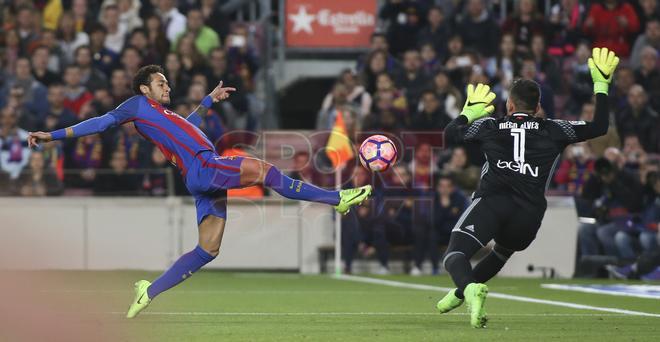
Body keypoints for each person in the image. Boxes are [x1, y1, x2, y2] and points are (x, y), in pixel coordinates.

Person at [27, 65, 373, 318]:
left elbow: (186, 127)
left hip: (199, 173)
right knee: (265, 171)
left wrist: (207, 102)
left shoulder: (162, 114)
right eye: (160, 82)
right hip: (204, 166)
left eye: (167, 81)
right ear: (144, 89)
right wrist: (52, 135)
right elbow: (100, 123)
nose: (167, 86)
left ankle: (149, 290)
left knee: (208, 249)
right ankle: (337, 199)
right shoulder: (135, 106)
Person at [436, 48, 620, 328]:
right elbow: (600, 126)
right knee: (501, 252)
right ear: (537, 108)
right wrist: (602, 84)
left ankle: (469, 289)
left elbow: (448, 136)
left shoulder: (490, 125)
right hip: (529, 215)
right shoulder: (555, 130)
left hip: (493, 201)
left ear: (509, 105)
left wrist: (467, 113)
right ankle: (462, 291)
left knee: (455, 254)